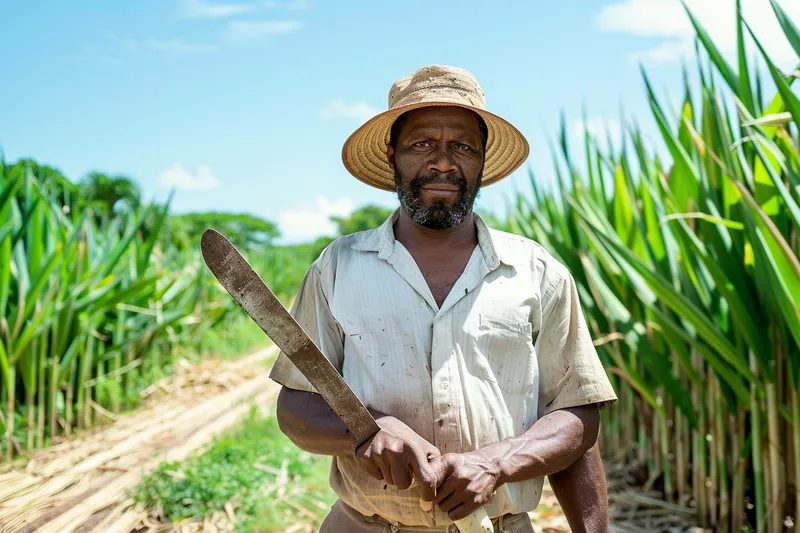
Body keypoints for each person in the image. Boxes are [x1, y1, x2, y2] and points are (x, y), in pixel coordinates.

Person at [269, 64, 618, 533]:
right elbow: (295, 407)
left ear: (482, 160)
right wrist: (365, 430)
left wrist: (497, 464)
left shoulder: (537, 273)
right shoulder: (337, 267)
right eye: (422, 144)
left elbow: (576, 415)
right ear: (393, 155)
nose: (443, 162)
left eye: (462, 147)